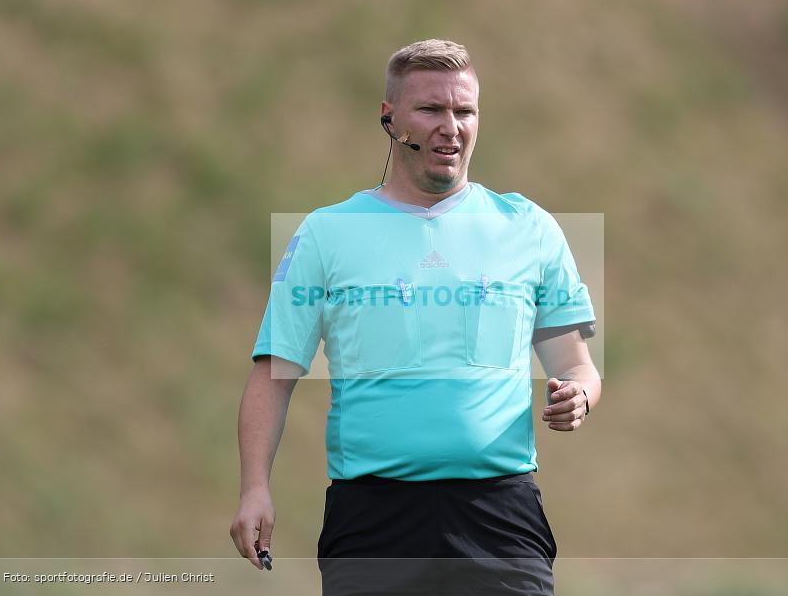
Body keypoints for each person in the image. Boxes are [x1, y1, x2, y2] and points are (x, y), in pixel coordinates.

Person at [230, 39, 601, 595]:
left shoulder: (529, 227)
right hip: (373, 519)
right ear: (390, 119)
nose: (451, 127)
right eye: (431, 110)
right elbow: (274, 373)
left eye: (465, 111)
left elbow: (577, 365)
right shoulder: (327, 234)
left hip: (500, 516)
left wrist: (579, 395)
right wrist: (254, 488)